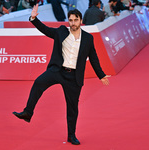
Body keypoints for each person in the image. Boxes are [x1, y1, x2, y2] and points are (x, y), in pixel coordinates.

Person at [13, 4, 110, 145]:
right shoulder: (61, 32)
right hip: (58, 71)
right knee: (39, 82)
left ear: (80, 20)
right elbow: (45, 30)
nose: (73, 23)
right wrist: (33, 19)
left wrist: (101, 75)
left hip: (74, 77)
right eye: (70, 20)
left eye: (75, 20)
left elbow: (94, 58)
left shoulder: (88, 39)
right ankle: (28, 112)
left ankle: (71, 136)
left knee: (72, 108)